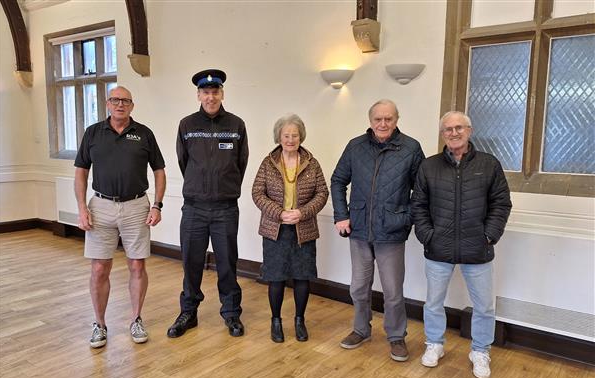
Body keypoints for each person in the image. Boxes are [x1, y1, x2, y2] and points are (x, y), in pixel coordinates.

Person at [411, 111, 512, 378]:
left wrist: (488, 236)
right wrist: (427, 235)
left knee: (484, 306)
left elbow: (501, 203)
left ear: (469, 131)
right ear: (442, 134)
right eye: (448, 129)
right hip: (438, 248)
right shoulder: (429, 166)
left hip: (477, 249)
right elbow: (418, 205)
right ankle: (434, 344)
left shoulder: (489, 164)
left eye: (459, 128)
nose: (454, 133)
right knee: (433, 302)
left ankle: (480, 351)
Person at [331, 99, 425, 361]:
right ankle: (361, 330)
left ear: (396, 120)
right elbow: (338, 180)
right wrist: (341, 215)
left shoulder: (411, 148)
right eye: (378, 119)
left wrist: (406, 217)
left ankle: (396, 336)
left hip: (391, 232)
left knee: (393, 291)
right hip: (359, 229)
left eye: (388, 119)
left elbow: (422, 191)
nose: (383, 123)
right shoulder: (356, 146)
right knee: (358, 287)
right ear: (370, 120)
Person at [74, 86, 166, 348]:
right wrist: (82, 208)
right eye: (115, 100)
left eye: (125, 101)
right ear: (107, 103)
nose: (120, 105)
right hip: (100, 206)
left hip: (136, 206)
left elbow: (159, 171)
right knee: (99, 268)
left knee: (137, 265)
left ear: (132, 105)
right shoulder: (93, 133)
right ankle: (99, 324)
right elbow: (81, 172)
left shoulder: (144, 134)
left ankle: (136, 319)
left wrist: (157, 205)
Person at [168, 69, 249, 338]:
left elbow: (241, 163)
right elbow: (183, 162)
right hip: (194, 208)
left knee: (227, 263)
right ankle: (188, 312)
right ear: (198, 95)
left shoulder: (236, 125)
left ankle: (231, 313)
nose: (210, 97)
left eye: (215, 92)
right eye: (206, 92)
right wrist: (199, 187)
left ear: (222, 94)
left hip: (225, 208)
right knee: (191, 263)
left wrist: (224, 188)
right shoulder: (187, 125)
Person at [252, 114, 328, 343]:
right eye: (286, 135)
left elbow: (322, 193)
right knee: (275, 277)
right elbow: (257, 193)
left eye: (295, 135)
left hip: (303, 230)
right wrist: (279, 213)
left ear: (301, 137)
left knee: (302, 277)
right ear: (279, 137)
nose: (290, 139)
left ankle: (299, 320)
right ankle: (275, 321)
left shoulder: (312, 162)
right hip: (274, 230)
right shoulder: (268, 162)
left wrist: (302, 213)